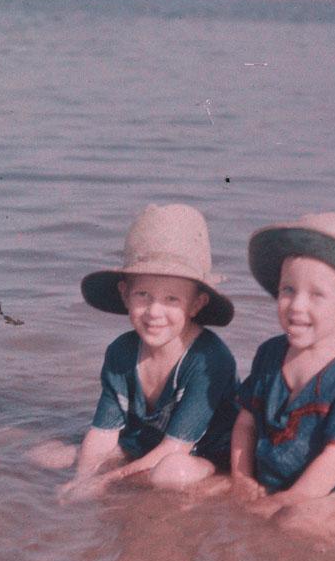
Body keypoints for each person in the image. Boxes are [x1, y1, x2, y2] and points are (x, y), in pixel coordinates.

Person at [36, 203, 238, 499]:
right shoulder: (121, 352)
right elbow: (103, 433)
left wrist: (106, 480)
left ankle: (220, 487)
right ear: (125, 294)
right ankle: (124, 475)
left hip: (200, 456)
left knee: (171, 473)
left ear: (196, 304)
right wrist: (83, 478)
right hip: (147, 445)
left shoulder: (210, 360)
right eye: (143, 295)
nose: (154, 311)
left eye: (172, 299)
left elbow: (175, 448)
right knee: (44, 456)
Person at [230, 212, 335, 530]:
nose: (296, 306)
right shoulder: (270, 353)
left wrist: (285, 501)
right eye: (288, 290)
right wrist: (241, 477)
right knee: (199, 492)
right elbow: (247, 422)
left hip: (334, 489)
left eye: (316, 294)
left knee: (295, 524)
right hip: (273, 480)